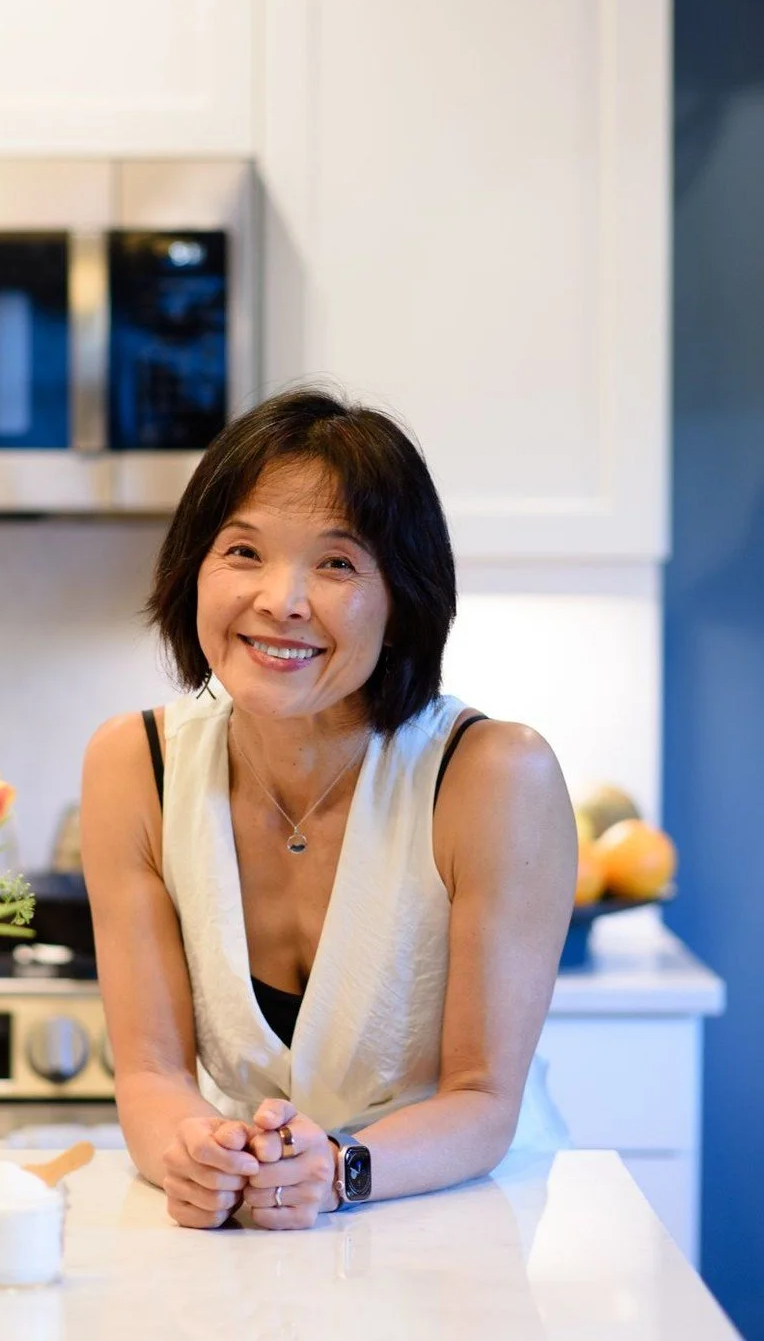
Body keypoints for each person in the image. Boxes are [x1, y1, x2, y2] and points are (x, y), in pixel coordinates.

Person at [80, 388, 576, 1231]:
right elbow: (150, 1076)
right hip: (259, 1227)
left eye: (337, 564)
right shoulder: (135, 764)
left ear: (403, 598)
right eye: (244, 551)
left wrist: (342, 1169)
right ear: (193, 568)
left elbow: (483, 1098)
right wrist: (193, 1153)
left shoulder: (492, 774)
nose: (282, 600)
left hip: (457, 1219)